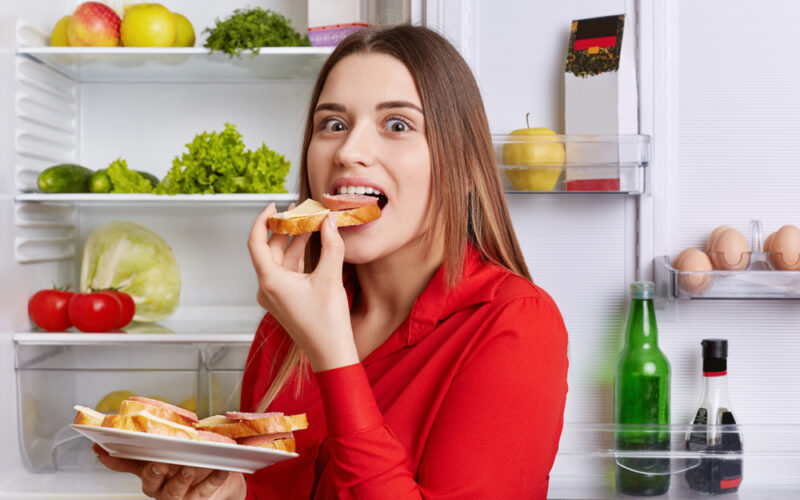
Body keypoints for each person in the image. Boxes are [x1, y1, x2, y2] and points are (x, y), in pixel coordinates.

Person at [94, 25, 569, 499]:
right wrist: (230, 493)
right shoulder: (285, 325)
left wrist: (334, 356)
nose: (348, 151)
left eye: (398, 125)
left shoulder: (516, 324)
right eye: (333, 124)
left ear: (464, 168)